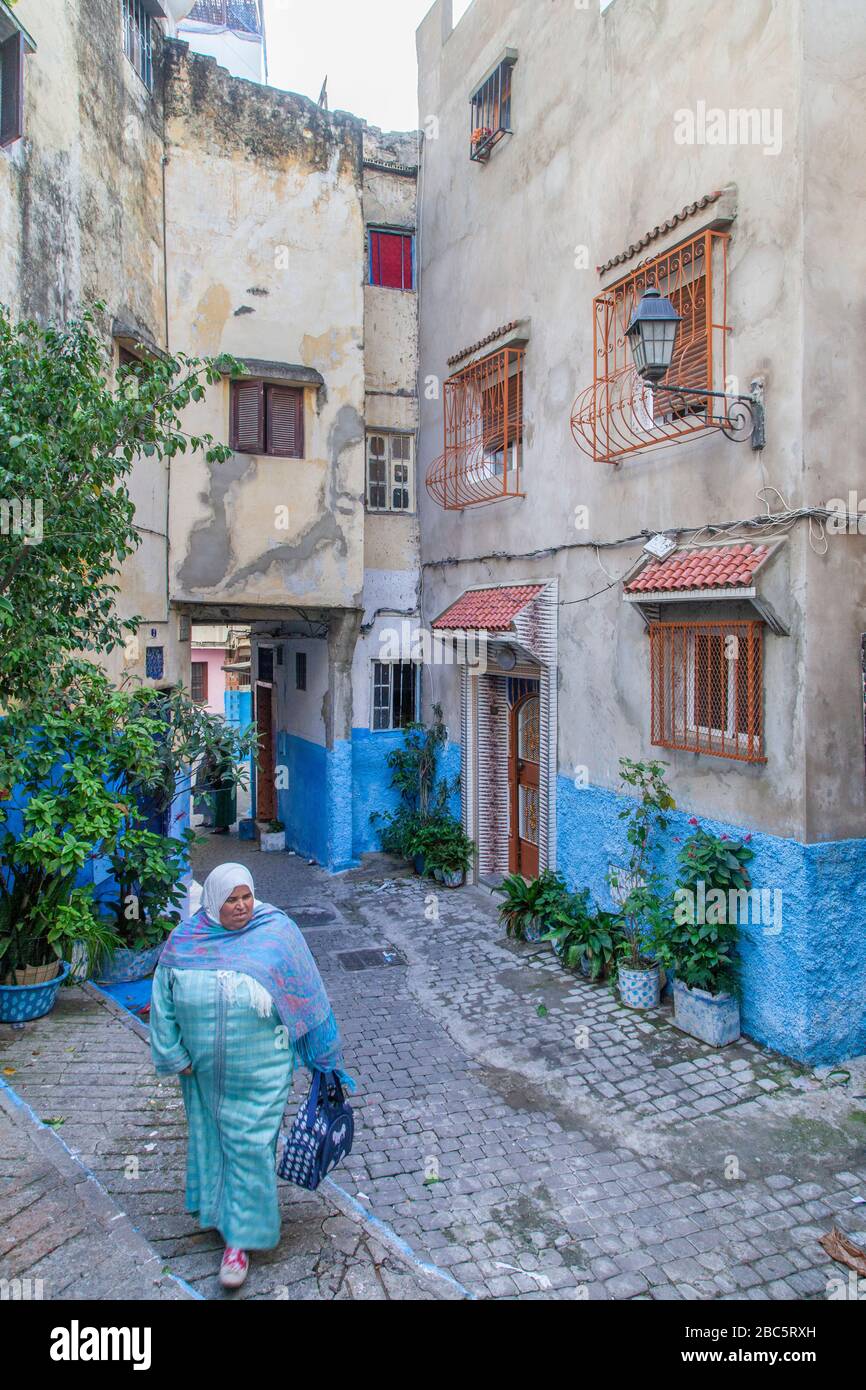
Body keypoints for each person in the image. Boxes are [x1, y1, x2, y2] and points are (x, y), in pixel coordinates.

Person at [149, 863, 355, 1290]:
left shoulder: (276, 933)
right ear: (212, 902)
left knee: (248, 1145)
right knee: (210, 1140)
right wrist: (172, 1053)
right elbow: (163, 998)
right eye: (231, 899)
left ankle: (239, 1241)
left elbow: (307, 990)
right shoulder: (187, 940)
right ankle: (215, 1211)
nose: (241, 906)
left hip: (262, 1070)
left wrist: (321, 1055)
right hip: (201, 1072)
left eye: (246, 897)